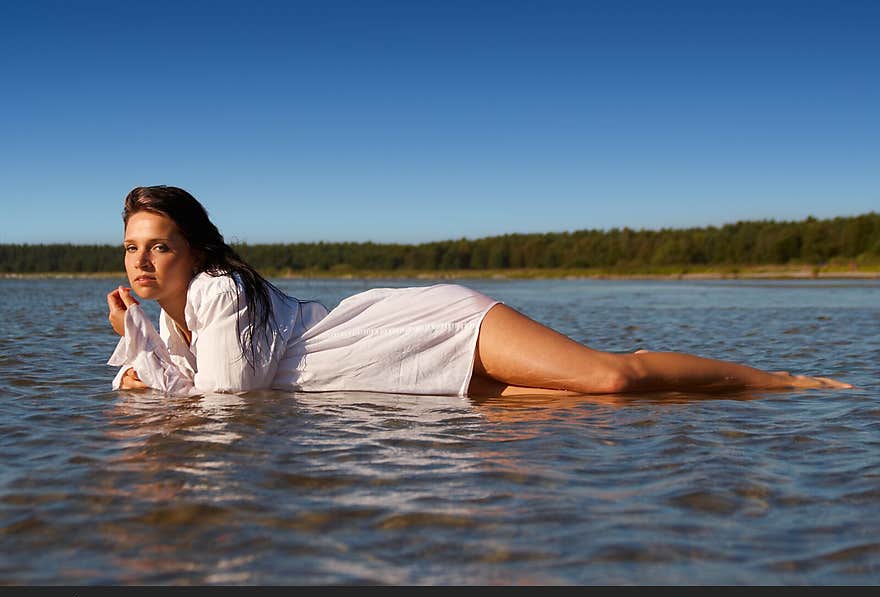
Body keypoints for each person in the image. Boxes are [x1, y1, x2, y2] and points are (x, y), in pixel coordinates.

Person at [107, 186, 852, 396]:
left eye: (159, 245)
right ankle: (727, 398)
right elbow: (165, 385)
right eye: (133, 248)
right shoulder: (175, 320)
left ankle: (783, 379)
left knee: (608, 377)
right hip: (388, 376)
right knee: (568, 405)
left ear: (194, 249)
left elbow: (228, 403)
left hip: (416, 328)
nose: (143, 261)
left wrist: (141, 351)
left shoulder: (215, 293)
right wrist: (139, 338)